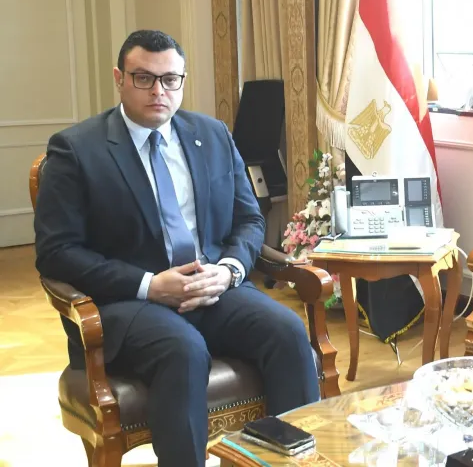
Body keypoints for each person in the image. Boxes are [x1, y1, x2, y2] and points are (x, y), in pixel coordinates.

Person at [34, 30, 320, 466]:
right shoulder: (76, 149)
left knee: (287, 331)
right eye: (144, 78)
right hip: (128, 303)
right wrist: (149, 285)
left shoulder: (212, 134)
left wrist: (228, 270)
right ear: (119, 78)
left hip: (212, 287)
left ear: (182, 80)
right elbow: (57, 252)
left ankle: (291, 462)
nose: (158, 91)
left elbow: (249, 219)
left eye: (170, 80)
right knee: (183, 350)